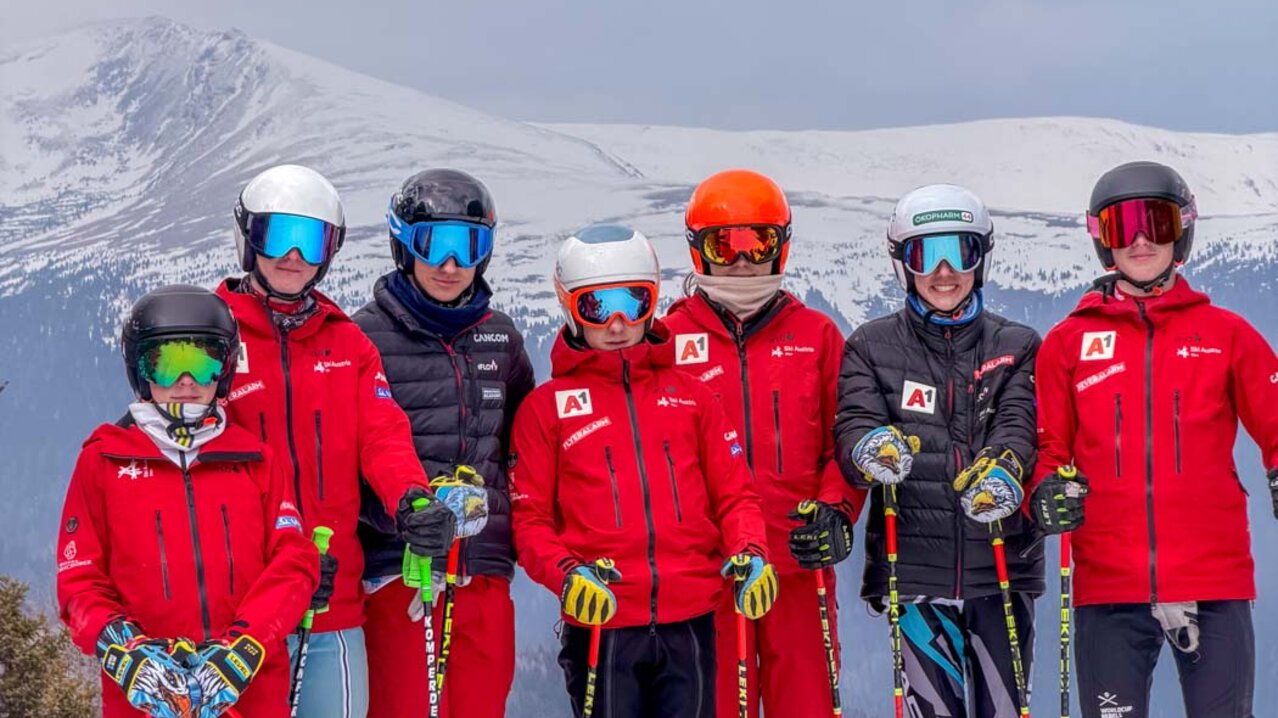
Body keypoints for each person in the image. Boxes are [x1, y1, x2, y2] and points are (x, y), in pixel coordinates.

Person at [1031, 161, 1278, 718]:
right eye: (1122, 227)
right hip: (1108, 586)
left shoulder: (1226, 335)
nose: (1141, 240)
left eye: (1157, 223)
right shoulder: (1069, 343)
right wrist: (1044, 492)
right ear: (1102, 240)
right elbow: (1048, 450)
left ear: (1181, 230)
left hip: (1213, 580)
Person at [217, 164, 457, 717]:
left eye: (312, 240)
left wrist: (412, 498)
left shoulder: (346, 343)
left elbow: (382, 435)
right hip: (240, 607)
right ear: (248, 237)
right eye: (278, 235)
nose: (293, 255)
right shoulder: (215, 333)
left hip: (332, 601)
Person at [510, 225, 776, 718]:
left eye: (633, 303)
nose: (617, 324)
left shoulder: (693, 397)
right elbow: (530, 522)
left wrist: (750, 550)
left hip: (690, 619)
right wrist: (568, 575)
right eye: (596, 306)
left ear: (652, 303)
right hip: (603, 620)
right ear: (570, 308)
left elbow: (735, 495)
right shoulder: (546, 410)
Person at [56, 285, 319, 718]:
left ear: (225, 370)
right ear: (141, 371)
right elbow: (79, 580)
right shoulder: (104, 461)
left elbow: (294, 563)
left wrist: (245, 646)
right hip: (148, 697)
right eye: (165, 365)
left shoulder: (255, 459)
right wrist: (126, 652)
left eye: (202, 363)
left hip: (247, 692)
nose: (186, 382)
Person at [834, 184, 1043, 718]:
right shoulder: (870, 346)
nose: (944, 272)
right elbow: (854, 423)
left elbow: (1019, 424)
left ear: (981, 258)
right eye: (925, 255)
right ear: (903, 263)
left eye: (960, 252)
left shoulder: (1016, 345)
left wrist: (1005, 465)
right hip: (916, 573)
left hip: (1000, 565)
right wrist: (869, 448)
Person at [662, 169, 859, 718]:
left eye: (759, 242)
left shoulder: (816, 336)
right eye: (724, 246)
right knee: (715, 704)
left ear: (782, 246)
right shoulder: (669, 341)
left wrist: (837, 509)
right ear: (699, 250)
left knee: (807, 703)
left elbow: (845, 440)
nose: (743, 260)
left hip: (798, 564)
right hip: (708, 571)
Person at [353, 169, 535, 718]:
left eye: (468, 247)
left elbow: (524, 449)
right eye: (433, 245)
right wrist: (400, 519)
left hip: (482, 568)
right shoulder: (364, 339)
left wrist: (506, 521)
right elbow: (348, 460)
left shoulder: (501, 338)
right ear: (403, 244)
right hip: (399, 573)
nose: (450, 265)